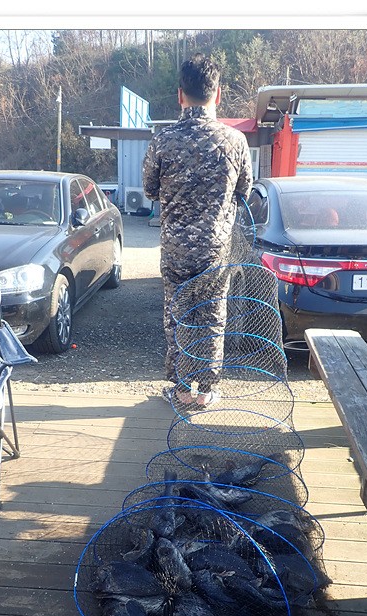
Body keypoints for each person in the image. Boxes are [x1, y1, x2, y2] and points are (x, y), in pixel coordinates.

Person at [142, 53, 253, 407]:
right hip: (216, 250)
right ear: (217, 94)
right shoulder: (236, 141)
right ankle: (204, 391)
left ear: (180, 95)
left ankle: (180, 389)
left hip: (175, 247)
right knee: (212, 316)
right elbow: (244, 190)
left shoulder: (162, 140)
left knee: (177, 316)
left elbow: (149, 189)